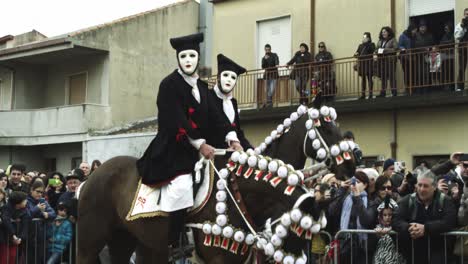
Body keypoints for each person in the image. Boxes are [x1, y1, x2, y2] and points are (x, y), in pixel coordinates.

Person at [136, 32, 217, 248]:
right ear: (178, 59)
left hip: (197, 149)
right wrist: (201, 143)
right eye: (183, 56)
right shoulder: (168, 84)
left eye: (192, 55)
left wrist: (232, 139)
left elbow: (213, 118)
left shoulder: (203, 87)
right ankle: (175, 241)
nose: (188, 60)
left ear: (198, 58)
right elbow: (176, 118)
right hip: (172, 147)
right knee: (181, 186)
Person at [393, 170, 457, 264]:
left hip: (439, 252)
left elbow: (449, 222)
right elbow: (396, 220)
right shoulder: (408, 200)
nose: (422, 189)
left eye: (426, 186)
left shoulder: (445, 201)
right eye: (419, 185)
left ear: (434, 187)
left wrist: (426, 228)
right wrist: (409, 228)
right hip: (413, 253)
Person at [207, 54, 252, 151]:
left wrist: (250, 150)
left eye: (233, 77)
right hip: (210, 155)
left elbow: (238, 132)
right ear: (218, 77)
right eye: (226, 75)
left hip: (231, 157)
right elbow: (218, 121)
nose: (229, 80)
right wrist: (233, 141)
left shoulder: (233, 102)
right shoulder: (208, 96)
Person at [328, 171, 374, 264]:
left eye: (357, 182)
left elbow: (366, 220)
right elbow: (332, 211)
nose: (354, 184)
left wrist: (357, 197)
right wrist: (341, 189)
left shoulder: (370, 201)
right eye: (353, 181)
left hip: (361, 247)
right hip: (344, 244)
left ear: (365, 185)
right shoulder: (345, 198)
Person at [27, 180, 57, 264]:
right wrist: (37, 208)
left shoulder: (43, 201)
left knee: (43, 259)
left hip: (43, 236)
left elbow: (53, 213)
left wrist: (47, 214)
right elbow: (27, 215)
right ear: (31, 190)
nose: (40, 194)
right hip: (31, 237)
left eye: (42, 192)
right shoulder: (26, 201)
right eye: (37, 191)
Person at [373, 196, 406, 264]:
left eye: (390, 215)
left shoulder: (398, 228)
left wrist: (391, 230)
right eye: (385, 215)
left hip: (395, 260)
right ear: (381, 216)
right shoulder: (378, 227)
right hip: (380, 260)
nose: (387, 217)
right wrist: (377, 235)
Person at [0, 191, 29, 264]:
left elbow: (26, 224)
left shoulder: (24, 210)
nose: (26, 201)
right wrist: (13, 235)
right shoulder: (6, 208)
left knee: (12, 258)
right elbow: (6, 220)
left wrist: (20, 238)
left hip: (17, 240)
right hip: (5, 239)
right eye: (24, 200)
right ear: (18, 202)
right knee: (4, 258)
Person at [375, 26, 397, 97]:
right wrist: (376, 52)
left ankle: (394, 92)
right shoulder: (380, 41)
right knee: (383, 77)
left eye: (384, 32)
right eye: (382, 32)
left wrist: (385, 50)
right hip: (382, 61)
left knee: (391, 76)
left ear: (388, 32)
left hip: (390, 60)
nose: (383, 33)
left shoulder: (393, 40)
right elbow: (376, 49)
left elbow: (395, 49)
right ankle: (383, 93)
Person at [414, 20, 434, 91]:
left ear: (426, 28)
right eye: (421, 27)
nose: (422, 28)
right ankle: (420, 89)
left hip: (427, 57)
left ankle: (427, 88)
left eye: (424, 27)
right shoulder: (415, 35)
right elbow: (414, 46)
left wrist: (430, 50)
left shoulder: (430, 35)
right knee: (419, 73)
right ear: (419, 28)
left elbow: (432, 45)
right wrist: (424, 49)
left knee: (427, 73)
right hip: (418, 57)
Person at [354, 32, 376, 99]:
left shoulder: (372, 44)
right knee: (363, 79)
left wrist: (366, 43)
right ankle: (363, 94)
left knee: (369, 79)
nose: (364, 38)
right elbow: (357, 52)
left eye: (365, 37)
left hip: (369, 64)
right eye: (363, 37)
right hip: (362, 64)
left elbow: (372, 51)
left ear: (369, 38)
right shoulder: (360, 46)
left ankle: (370, 94)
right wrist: (356, 54)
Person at [398, 24, 418, 94]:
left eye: (415, 30)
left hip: (412, 57)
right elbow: (399, 45)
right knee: (406, 73)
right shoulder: (403, 36)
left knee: (413, 73)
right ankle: (407, 88)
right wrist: (403, 49)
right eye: (414, 30)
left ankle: (413, 88)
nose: (415, 32)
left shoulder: (415, 36)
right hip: (405, 58)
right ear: (410, 30)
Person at [440, 22, 456, 91]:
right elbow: (441, 44)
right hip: (445, 57)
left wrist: (445, 43)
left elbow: (452, 42)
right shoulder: (444, 36)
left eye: (447, 28)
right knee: (445, 71)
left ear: (450, 28)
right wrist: (447, 43)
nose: (446, 30)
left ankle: (451, 86)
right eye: (445, 29)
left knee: (451, 70)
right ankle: (446, 86)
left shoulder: (452, 35)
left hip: (451, 56)